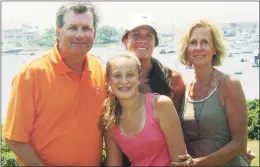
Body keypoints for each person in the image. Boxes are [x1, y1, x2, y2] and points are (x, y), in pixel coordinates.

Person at [2, 2, 105, 166]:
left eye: (86, 28)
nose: (80, 34)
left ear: (94, 33)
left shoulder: (98, 68)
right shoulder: (31, 74)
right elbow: (14, 139)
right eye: (72, 28)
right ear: (58, 33)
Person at [172, 19, 249, 166]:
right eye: (193, 42)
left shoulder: (229, 84)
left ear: (214, 49)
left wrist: (197, 164)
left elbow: (240, 144)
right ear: (186, 49)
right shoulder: (184, 87)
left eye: (205, 42)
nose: (198, 47)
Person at [121, 14, 186, 166]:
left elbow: (182, 128)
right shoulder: (113, 82)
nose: (142, 40)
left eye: (149, 36)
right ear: (125, 41)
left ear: (155, 42)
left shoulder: (173, 79)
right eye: (136, 35)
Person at [102, 53, 187, 166]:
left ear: (138, 78)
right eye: (117, 75)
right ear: (108, 80)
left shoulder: (160, 105)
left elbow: (180, 161)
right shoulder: (110, 121)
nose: (124, 81)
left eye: (130, 75)